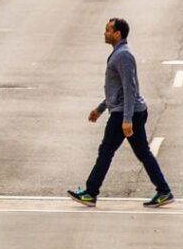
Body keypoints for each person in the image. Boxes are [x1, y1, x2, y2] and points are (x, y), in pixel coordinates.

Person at [68, 18, 173, 208]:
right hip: (128, 110)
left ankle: (91, 192)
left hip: (125, 113)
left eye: (108, 30)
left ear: (118, 33)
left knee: (106, 151)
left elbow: (129, 89)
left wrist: (126, 119)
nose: (105, 33)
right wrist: (100, 109)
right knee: (142, 153)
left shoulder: (123, 56)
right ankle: (164, 191)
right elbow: (117, 90)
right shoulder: (119, 53)